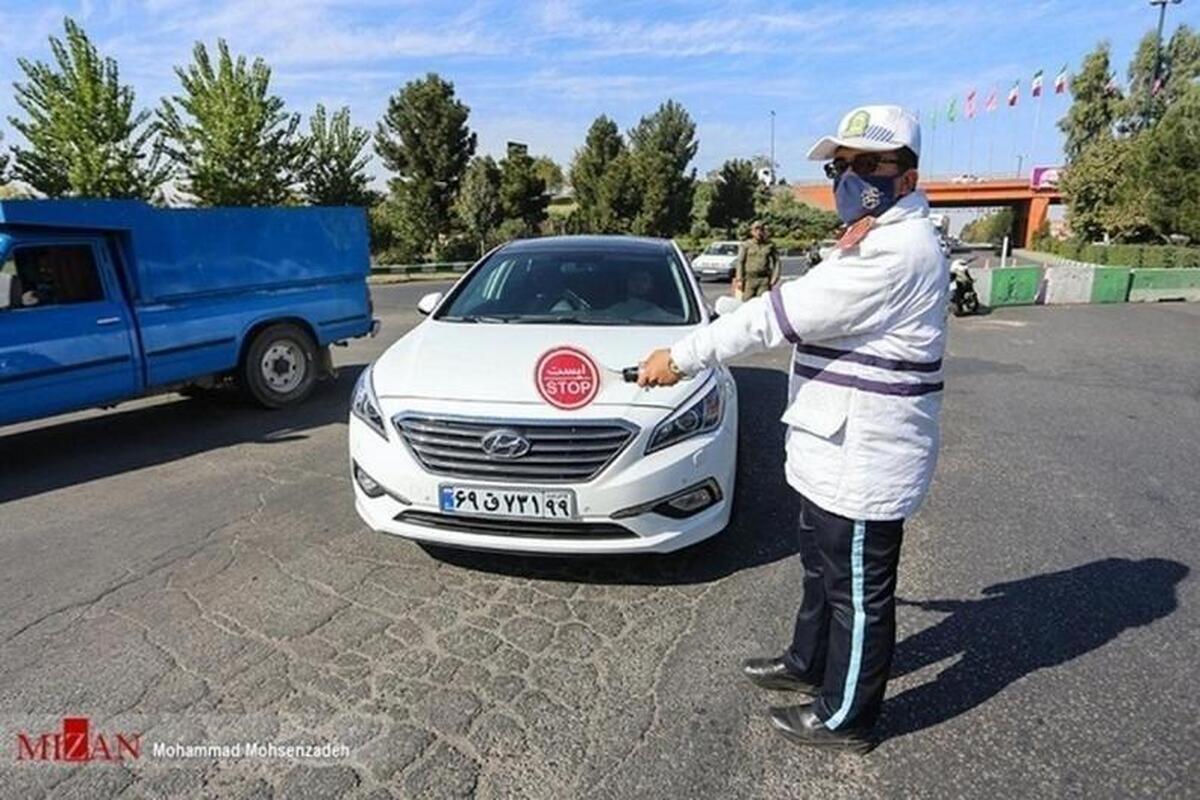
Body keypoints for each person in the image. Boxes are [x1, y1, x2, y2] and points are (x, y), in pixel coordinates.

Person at [637, 105, 946, 754]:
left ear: (908, 177)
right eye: (843, 165)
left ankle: (846, 718)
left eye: (869, 164)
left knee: (858, 595)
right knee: (821, 573)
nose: (849, 176)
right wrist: (733, 310)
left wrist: (685, 354)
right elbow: (793, 313)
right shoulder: (866, 236)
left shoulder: (894, 252)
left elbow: (787, 315)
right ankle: (808, 664)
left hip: (864, 457)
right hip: (831, 449)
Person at [732, 221, 780, 300]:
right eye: (756, 229)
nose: (758, 232)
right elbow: (740, 262)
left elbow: (777, 262)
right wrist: (739, 279)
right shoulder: (746, 245)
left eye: (761, 229)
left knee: (763, 302)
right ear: (751, 232)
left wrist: (774, 278)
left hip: (764, 280)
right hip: (749, 280)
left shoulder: (769, 245)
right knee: (747, 302)